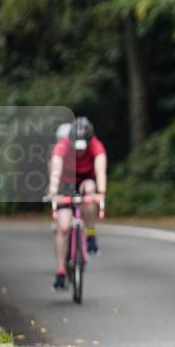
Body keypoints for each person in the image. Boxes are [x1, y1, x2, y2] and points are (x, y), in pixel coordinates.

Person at [46, 117, 107, 291]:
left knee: (90, 191)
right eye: (76, 146)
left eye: (83, 147)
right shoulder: (62, 146)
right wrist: (54, 191)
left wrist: (100, 194)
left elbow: (100, 170)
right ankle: (60, 272)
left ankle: (90, 234)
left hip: (85, 179)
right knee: (63, 227)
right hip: (66, 181)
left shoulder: (96, 146)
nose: (80, 151)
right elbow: (56, 170)